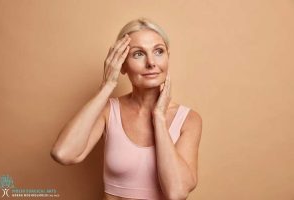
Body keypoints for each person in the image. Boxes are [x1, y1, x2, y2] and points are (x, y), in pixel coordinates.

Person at [50, 17, 202, 200]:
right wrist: (106, 86)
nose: (151, 63)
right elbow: (63, 153)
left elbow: (177, 193)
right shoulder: (109, 111)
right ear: (121, 64)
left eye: (159, 51)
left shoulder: (189, 119)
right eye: (138, 54)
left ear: (168, 57)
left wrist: (159, 119)